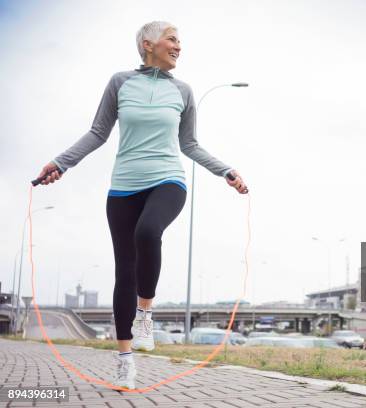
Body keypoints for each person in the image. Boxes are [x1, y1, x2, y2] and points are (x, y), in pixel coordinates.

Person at [36, 21, 248, 389]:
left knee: (148, 232)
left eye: (180, 41)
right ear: (148, 44)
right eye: (173, 39)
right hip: (123, 188)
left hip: (168, 180)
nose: (179, 46)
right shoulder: (121, 82)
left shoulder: (183, 91)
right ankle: (124, 361)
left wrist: (225, 170)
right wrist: (60, 163)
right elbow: (98, 132)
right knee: (125, 271)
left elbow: (190, 145)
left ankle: (145, 314)